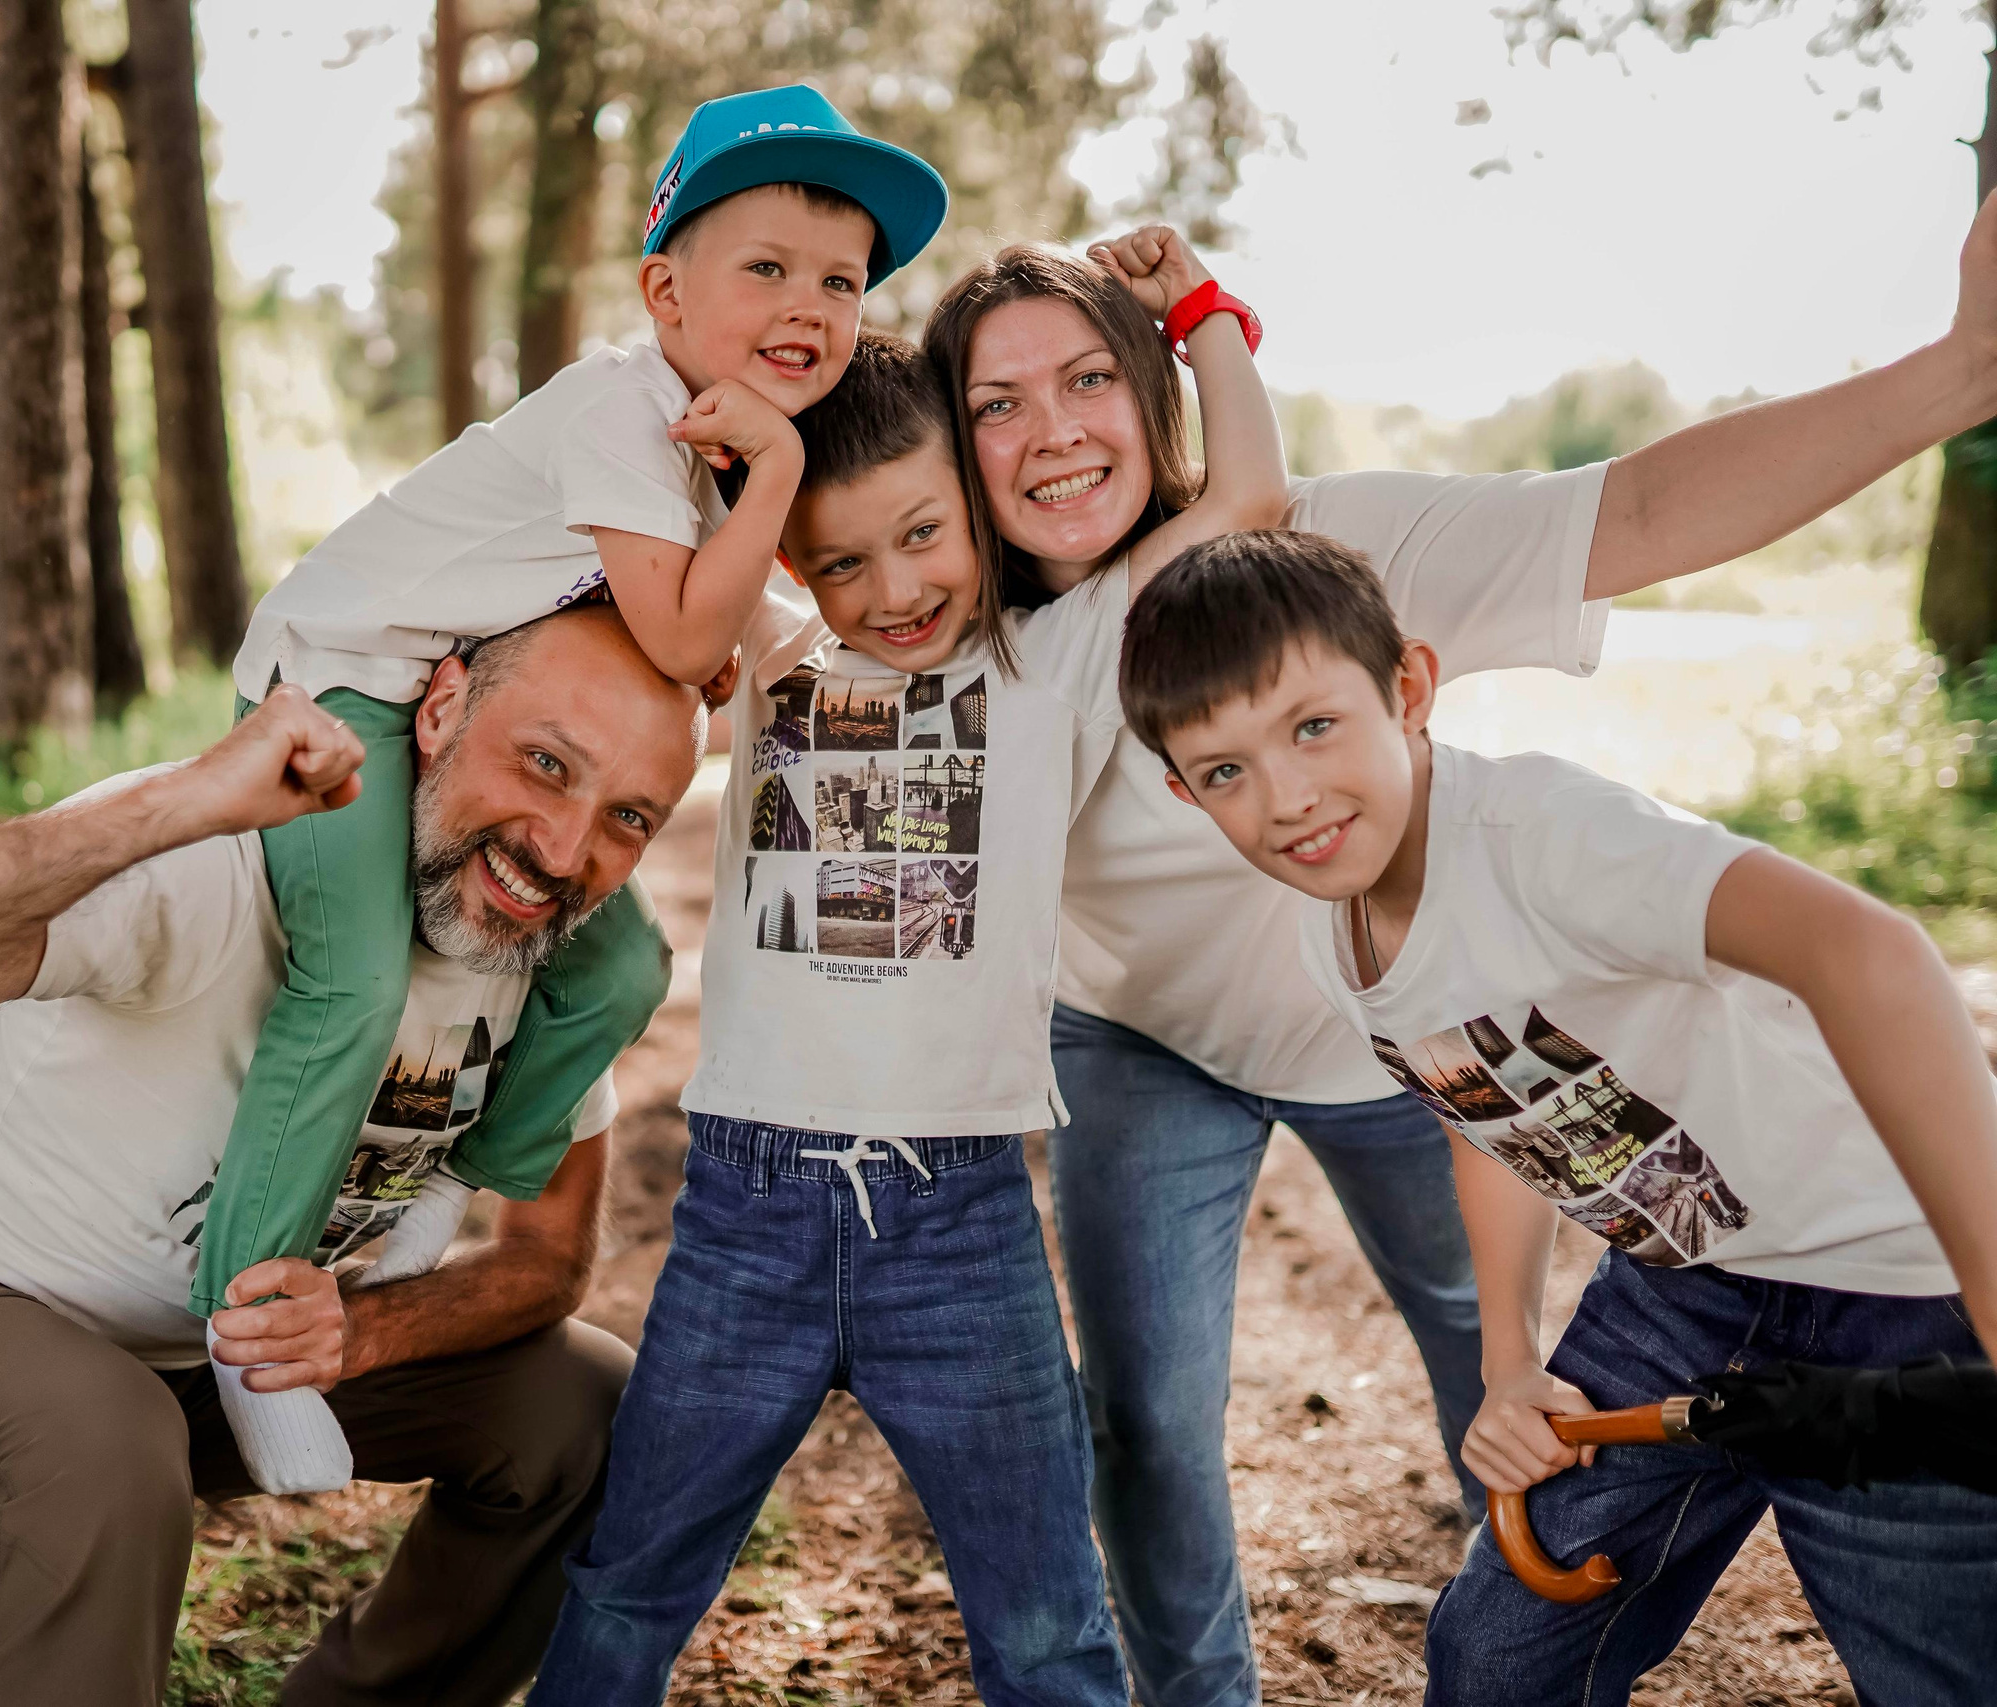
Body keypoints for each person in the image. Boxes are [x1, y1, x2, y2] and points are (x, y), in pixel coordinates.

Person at [921, 184, 1997, 1706]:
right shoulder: (978, 644)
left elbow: (1637, 511)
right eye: (995, 404)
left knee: (1489, 1361)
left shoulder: (1328, 556)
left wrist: (1955, 376)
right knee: (1150, 1420)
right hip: (1177, 1038)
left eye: (1088, 376)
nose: (1051, 430)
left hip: (1432, 1053)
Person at [532, 214, 1285, 1707]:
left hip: (964, 1229)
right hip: (745, 1214)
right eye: (843, 556)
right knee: (629, 1585)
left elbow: (1252, 487)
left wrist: (1197, 304)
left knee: (1050, 1626)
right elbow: (660, 477)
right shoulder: (770, 645)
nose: (893, 587)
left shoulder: (1055, 661)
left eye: (928, 532)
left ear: (983, 512)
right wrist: (769, 448)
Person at [201, 83, 949, 1492]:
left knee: (618, 969)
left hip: (459, 678)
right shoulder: (627, 407)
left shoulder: (716, 451)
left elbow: (750, 638)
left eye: (840, 281)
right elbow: (678, 634)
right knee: (353, 984)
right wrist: (783, 469)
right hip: (339, 682)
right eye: (768, 268)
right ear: (665, 287)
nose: (810, 304)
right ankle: (249, 1321)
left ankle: (440, 1188)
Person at [0, 605, 706, 1707]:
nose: (564, 848)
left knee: (587, 1412)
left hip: (212, 1372)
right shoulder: (217, 863)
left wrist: (355, 1330)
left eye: (627, 816)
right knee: (100, 1447)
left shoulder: (548, 954)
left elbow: (545, 1258)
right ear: (441, 706)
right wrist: (171, 804)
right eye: (545, 763)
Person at [1121, 528, 1997, 1707]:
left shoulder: (1543, 840)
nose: (1286, 799)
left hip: (1903, 1296)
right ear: (1182, 792)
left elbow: (1873, 956)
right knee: (1494, 1660)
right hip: (1680, 1287)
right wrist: (1506, 1362)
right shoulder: (1330, 930)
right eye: (1223, 770)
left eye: (1312, 726)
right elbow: (1488, 1105)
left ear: (1408, 688)